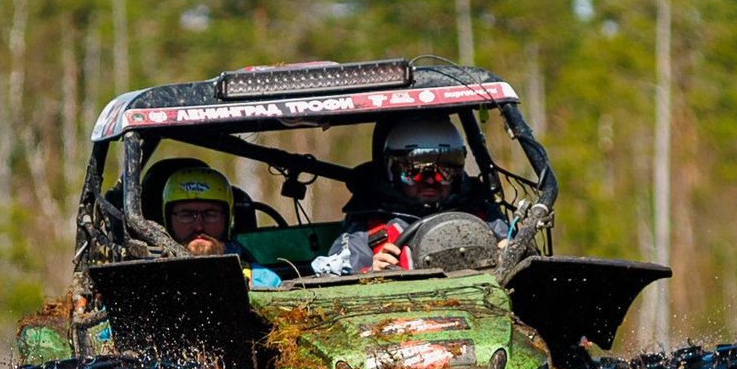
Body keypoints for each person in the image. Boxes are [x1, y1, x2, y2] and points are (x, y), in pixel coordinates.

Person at [310, 113, 507, 277]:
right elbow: (334, 280)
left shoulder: (485, 216)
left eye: (444, 170)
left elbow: (518, 260)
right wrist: (369, 273)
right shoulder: (365, 227)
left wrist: (511, 253)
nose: (431, 181)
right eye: (414, 172)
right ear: (391, 171)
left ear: (459, 170)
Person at [159, 162, 282, 287]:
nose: (199, 226)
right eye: (186, 215)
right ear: (168, 220)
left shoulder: (263, 281)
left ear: (227, 219)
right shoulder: (151, 277)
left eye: (210, 214)